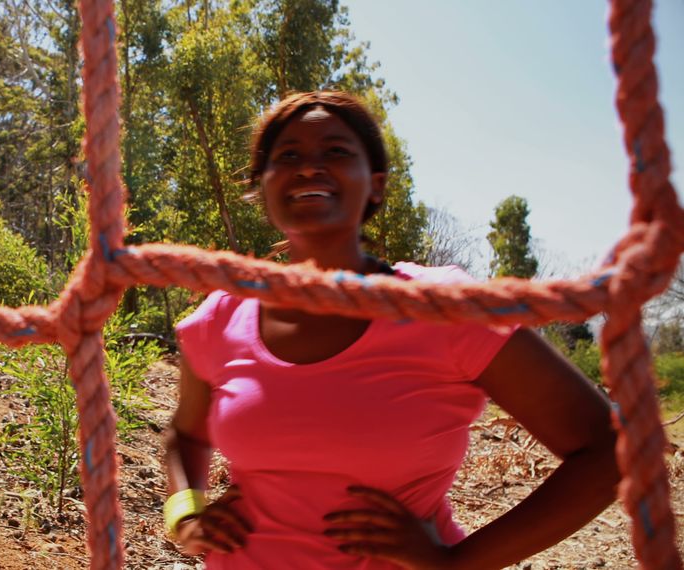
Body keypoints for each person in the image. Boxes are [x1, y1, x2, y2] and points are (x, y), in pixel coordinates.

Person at [163, 90, 620, 569]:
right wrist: (185, 512)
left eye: (336, 151)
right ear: (262, 185)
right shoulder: (222, 316)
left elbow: (608, 451)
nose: (309, 167)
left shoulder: (444, 309)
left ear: (376, 185)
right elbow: (185, 434)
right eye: (288, 155)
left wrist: (456, 563)